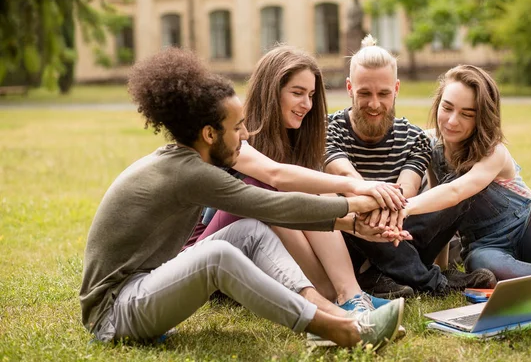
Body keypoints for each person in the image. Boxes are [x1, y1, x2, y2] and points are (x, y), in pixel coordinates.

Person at [79, 48, 407, 348]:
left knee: (250, 231)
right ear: (210, 135)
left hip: (143, 291)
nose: (246, 135)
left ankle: (339, 314)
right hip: (111, 316)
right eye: (237, 128)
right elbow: (273, 203)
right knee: (218, 254)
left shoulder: (185, 160)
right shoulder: (190, 173)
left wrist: (350, 219)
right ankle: (338, 330)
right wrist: (354, 206)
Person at [185, 45, 413, 312]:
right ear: (271, 92)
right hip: (205, 254)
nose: (307, 104)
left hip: (257, 252)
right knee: (270, 188)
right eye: (297, 93)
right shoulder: (235, 136)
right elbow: (276, 176)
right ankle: (335, 294)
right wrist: (359, 187)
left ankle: (350, 293)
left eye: (311, 95)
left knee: (312, 191)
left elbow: (306, 207)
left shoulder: (295, 141)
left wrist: (356, 225)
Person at [398, 64, 531, 317]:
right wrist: (440, 270)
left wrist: (405, 207)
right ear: (437, 103)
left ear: (482, 117)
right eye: (447, 107)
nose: (452, 120)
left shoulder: (493, 151)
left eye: (466, 114)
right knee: (478, 262)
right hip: (487, 248)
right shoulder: (430, 147)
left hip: (529, 234)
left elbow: (455, 192)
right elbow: (440, 211)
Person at [324, 35, 497, 295]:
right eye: (364, 93)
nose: (374, 104)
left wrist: (385, 210)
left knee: (458, 190)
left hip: (401, 228)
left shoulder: (414, 138)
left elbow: (407, 188)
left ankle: (380, 277)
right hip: (353, 237)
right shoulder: (328, 128)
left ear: (396, 88)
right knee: (349, 210)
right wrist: (372, 204)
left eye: (383, 93)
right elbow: (347, 177)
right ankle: (434, 282)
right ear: (349, 88)